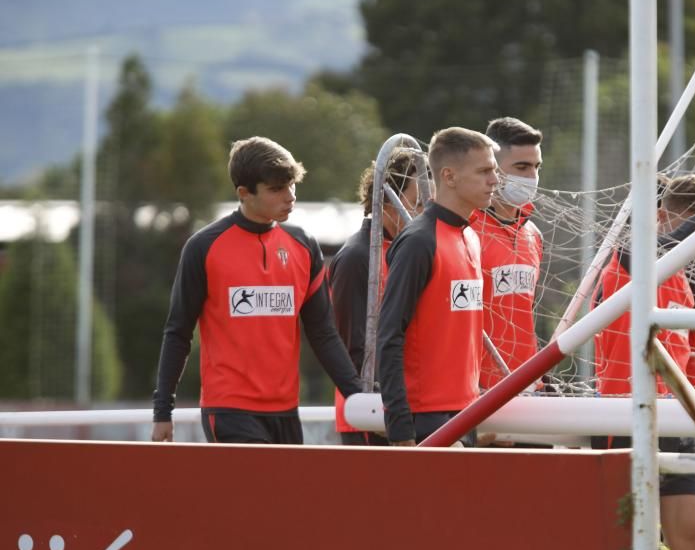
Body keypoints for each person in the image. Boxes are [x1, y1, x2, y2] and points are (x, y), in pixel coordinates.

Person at [151, 136, 361, 444]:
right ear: (244, 193)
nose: (290, 197)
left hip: (287, 412)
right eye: (276, 189)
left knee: (286, 495)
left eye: (292, 185)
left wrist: (357, 395)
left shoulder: (304, 245)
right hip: (229, 411)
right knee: (257, 493)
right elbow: (178, 332)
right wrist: (162, 412)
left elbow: (323, 333)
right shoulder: (204, 247)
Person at [590, 174, 695, 550]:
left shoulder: (677, 273)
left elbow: (689, 355)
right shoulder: (629, 264)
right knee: (633, 548)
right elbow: (643, 245)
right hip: (626, 423)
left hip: (677, 421)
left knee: (688, 539)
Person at [377, 127, 499, 446]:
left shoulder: (470, 236)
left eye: (494, 171)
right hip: (425, 419)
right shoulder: (419, 241)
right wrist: (400, 427)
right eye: (484, 171)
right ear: (449, 176)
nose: (494, 181)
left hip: (465, 414)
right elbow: (389, 335)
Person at [330, 148, 422, 446]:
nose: (423, 212)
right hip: (370, 418)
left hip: (405, 408)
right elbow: (350, 348)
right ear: (388, 202)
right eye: (417, 204)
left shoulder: (411, 251)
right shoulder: (357, 257)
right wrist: (380, 410)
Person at [468, 117, 545, 448]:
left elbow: (522, 314)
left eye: (536, 167)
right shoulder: (466, 230)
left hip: (529, 392)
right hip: (479, 396)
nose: (532, 177)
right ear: (493, 171)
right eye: (522, 167)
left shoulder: (533, 235)